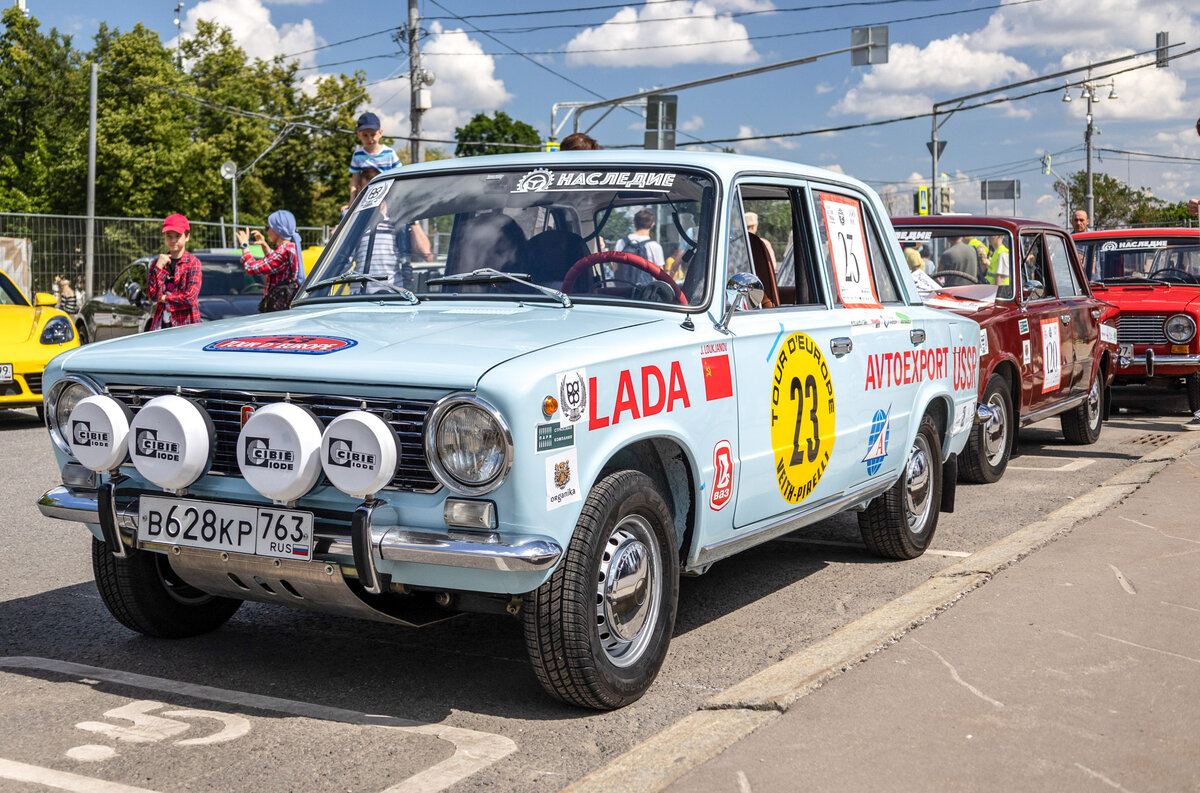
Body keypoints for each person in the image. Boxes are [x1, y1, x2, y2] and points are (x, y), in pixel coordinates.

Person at [237, 211, 303, 313]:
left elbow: (251, 268)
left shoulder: (283, 252)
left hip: (277, 310)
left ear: (277, 230)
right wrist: (264, 244)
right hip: (284, 307)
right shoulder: (290, 248)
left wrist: (244, 246)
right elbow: (275, 261)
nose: (267, 231)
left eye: (268, 227)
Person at [147, 213, 202, 330]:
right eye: (169, 236)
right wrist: (158, 268)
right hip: (161, 325)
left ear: (187, 236)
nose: (173, 240)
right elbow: (152, 295)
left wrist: (164, 299)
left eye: (177, 236)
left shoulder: (192, 263)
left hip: (187, 325)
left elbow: (190, 298)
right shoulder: (158, 262)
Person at [347, 112, 400, 209]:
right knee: (345, 215)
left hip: (387, 197)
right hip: (366, 199)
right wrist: (352, 201)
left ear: (380, 133)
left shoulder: (389, 153)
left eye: (373, 134)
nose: (370, 139)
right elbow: (355, 180)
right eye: (365, 135)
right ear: (359, 135)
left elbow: (399, 176)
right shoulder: (358, 155)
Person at [614, 209, 665, 285]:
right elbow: (660, 275)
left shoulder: (621, 242)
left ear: (634, 222)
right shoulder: (655, 246)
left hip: (623, 292)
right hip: (645, 293)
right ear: (652, 224)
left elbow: (615, 269)